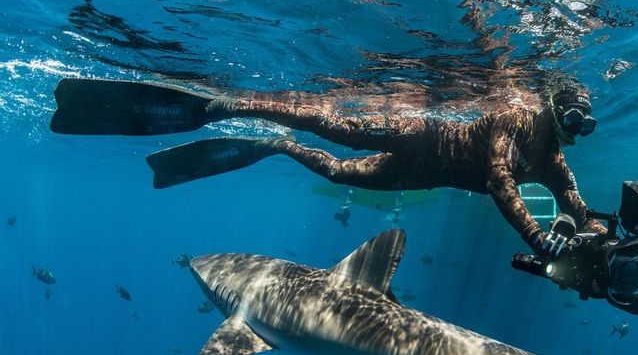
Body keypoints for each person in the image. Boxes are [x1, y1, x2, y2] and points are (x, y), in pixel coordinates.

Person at [51, 74, 606, 253]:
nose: (576, 129)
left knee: (340, 171)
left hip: (419, 174)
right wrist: (539, 239)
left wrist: (596, 227)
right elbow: (498, 180)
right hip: (422, 132)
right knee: (331, 122)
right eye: (573, 116)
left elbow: (576, 204)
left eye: (584, 122)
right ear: (551, 103)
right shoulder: (513, 112)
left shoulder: (554, 157)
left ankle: (275, 146)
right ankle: (221, 105)